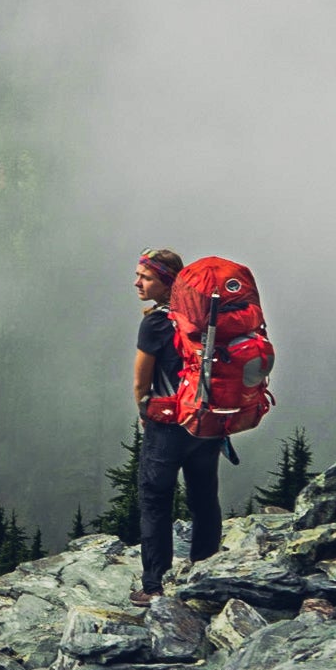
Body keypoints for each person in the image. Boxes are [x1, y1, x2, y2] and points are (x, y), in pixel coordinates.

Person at [132, 247, 223, 602]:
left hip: (168, 426)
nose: (137, 282)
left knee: (156, 501)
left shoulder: (156, 322)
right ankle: (206, 572)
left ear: (167, 283)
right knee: (204, 497)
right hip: (206, 423)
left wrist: (144, 411)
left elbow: (142, 382)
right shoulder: (204, 317)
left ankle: (153, 586)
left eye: (146, 277)